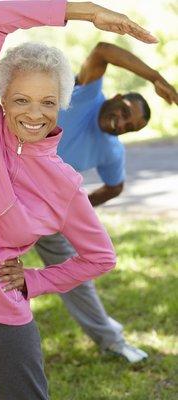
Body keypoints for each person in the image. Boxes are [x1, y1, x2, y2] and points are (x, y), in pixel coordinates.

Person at [0, 1, 157, 398]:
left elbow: (101, 257)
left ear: (61, 103)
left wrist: (34, 281)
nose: (34, 114)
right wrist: (88, 13)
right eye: (21, 99)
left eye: (47, 102)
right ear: (2, 98)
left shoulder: (64, 184)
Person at [34, 42, 178, 363]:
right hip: (3, 191)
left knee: (76, 278)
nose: (121, 123)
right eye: (125, 112)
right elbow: (101, 50)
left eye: (130, 127)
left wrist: (70, 213)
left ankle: (111, 341)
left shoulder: (112, 150)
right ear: (115, 98)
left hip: (46, 213)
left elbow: (115, 187)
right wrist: (155, 76)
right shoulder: (85, 96)